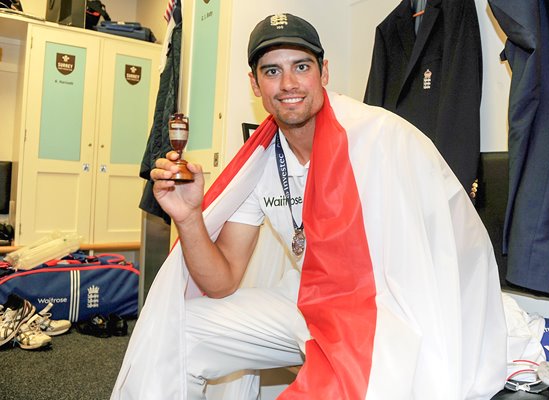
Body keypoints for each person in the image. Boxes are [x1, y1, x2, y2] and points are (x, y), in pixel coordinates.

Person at [112, 13, 507, 400]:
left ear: (324, 72)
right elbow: (223, 281)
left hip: (381, 308)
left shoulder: (380, 138)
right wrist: (190, 218)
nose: (288, 84)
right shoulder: (261, 161)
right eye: (271, 71)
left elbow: (451, 241)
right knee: (176, 329)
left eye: (301, 66)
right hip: (303, 302)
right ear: (254, 84)